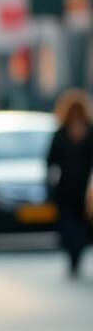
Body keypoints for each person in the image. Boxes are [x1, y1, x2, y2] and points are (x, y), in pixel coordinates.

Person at [47, 88, 93, 277]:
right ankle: (73, 254)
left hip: (84, 188)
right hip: (66, 187)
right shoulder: (60, 132)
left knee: (82, 225)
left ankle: (76, 254)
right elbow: (50, 160)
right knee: (67, 225)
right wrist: (49, 184)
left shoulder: (90, 132)